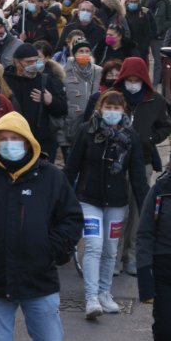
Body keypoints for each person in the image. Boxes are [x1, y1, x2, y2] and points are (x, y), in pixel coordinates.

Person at [0, 112, 82, 341]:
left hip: (39, 281)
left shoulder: (51, 177)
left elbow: (71, 219)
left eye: (14, 138)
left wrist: (52, 249)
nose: (8, 144)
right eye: (3, 139)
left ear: (26, 141)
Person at [64, 90, 149, 318]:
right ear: (100, 109)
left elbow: (138, 176)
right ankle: (91, 297)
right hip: (89, 199)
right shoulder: (86, 131)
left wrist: (147, 209)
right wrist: (61, 198)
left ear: (124, 111)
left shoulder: (130, 137)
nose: (112, 112)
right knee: (93, 245)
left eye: (116, 108)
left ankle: (104, 292)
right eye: (108, 107)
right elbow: (72, 167)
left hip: (117, 202)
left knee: (111, 249)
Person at [113, 57, 171, 275]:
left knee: (139, 211)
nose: (133, 82)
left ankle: (132, 258)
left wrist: (150, 138)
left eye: (137, 78)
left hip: (144, 161)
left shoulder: (155, 101)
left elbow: (165, 126)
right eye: (129, 78)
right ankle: (115, 258)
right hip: (117, 162)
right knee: (119, 212)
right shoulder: (115, 97)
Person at [2, 42, 67, 160]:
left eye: (35, 61)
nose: (33, 65)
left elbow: (62, 109)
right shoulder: (5, 81)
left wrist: (50, 101)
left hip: (42, 144)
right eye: (28, 62)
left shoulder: (44, 80)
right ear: (16, 62)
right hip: (14, 141)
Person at [136, 168, 171, 339]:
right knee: (165, 329)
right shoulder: (160, 190)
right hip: (164, 271)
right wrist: (145, 278)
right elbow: (145, 234)